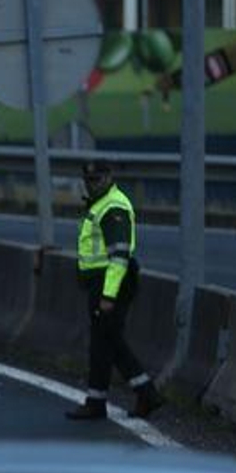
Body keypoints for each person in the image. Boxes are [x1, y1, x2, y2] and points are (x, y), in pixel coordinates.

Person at [66, 161, 162, 421]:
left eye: (97, 179)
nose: (92, 184)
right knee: (103, 342)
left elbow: (119, 256)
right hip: (104, 281)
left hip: (112, 282)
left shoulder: (113, 207)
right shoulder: (99, 204)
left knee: (108, 341)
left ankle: (145, 393)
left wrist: (108, 295)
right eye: (88, 180)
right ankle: (100, 401)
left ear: (109, 177)